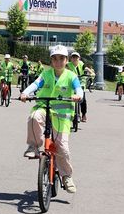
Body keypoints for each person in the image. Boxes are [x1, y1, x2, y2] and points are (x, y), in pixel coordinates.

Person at [20, 45, 83, 193]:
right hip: (44, 107)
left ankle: (66, 176)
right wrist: (25, 93)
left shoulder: (71, 76)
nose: (58, 61)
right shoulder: (46, 74)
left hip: (62, 115)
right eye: (55, 58)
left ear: (66, 60)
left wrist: (78, 95)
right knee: (34, 116)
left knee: (62, 147)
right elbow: (35, 84)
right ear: (51, 61)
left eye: (61, 58)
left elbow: (79, 88)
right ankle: (33, 146)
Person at [67, 52, 88, 122]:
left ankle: (84, 114)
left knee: (83, 99)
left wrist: (91, 73)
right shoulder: (68, 65)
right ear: (71, 58)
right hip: (71, 83)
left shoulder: (81, 64)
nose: (75, 59)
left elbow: (86, 69)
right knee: (67, 98)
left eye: (76, 57)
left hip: (81, 83)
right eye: (73, 57)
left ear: (79, 58)